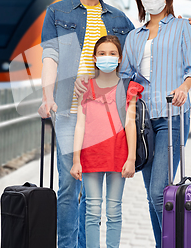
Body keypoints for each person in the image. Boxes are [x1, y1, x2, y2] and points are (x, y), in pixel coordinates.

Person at [39, 0, 135, 248]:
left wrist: (177, 26)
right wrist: (47, 96)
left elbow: (138, 53)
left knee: (90, 190)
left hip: (105, 118)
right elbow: (50, 56)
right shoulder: (58, 12)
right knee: (70, 185)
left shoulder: (119, 18)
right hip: (69, 112)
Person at [119, 0, 191, 247]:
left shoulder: (182, 27)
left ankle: (175, 243)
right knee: (152, 194)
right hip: (144, 122)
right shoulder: (134, 37)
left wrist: (183, 87)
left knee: (159, 193)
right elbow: (126, 75)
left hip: (173, 117)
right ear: (140, 2)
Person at [70, 35, 142, 248]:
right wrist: (76, 160)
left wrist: (131, 158)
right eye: (102, 54)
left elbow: (131, 124)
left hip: (118, 156)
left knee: (114, 210)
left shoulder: (128, 88)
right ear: (94, 58)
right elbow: (80, 125)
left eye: (112, 54)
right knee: (91, 210)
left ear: (120, 59)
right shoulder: (85, 88)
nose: (107, 58)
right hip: (91, 157)